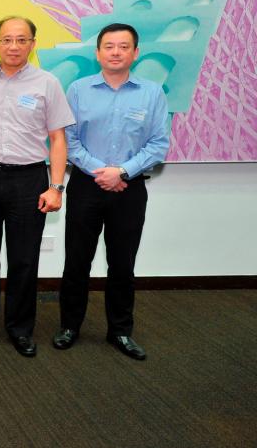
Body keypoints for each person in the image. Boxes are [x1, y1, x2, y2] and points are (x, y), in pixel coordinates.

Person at [54, 22, 169, 361]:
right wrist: (101, 172)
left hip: (129, 190)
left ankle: (120, 331)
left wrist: (122, 172)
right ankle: (69, 326)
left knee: (122, 264)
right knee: (77, 261)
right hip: (86, 187)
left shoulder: (152, 93)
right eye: (109, 46)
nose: (115, 52)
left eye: (123, 46)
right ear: (97, 52)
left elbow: (158, 144)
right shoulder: (77, 89)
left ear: (135, 52)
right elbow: (68, 142)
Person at [0, 16, 74, 357]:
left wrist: (56, 187)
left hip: (29, 178)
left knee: (24, 258)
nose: (13, 46)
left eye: (21, 40)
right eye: (7, 40)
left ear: (32, 44)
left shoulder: (47, 83)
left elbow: (58, 138)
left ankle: (20, 328)